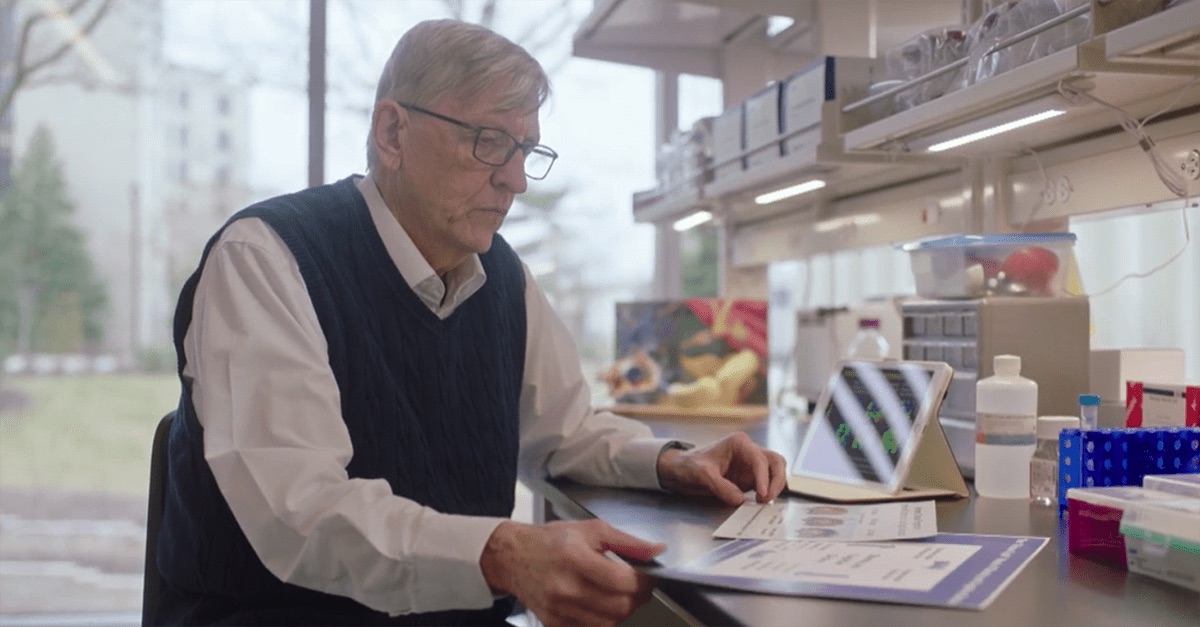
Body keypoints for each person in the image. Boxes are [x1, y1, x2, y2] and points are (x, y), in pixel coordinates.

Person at [156, 18, 787, 627]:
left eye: (525, 150)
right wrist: (503, 553)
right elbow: (303, 515)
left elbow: (565, 431)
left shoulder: (501, 276)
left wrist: (672, 463)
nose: (513, 179)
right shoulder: (267, 258)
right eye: (488, 141)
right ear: (392, 133)